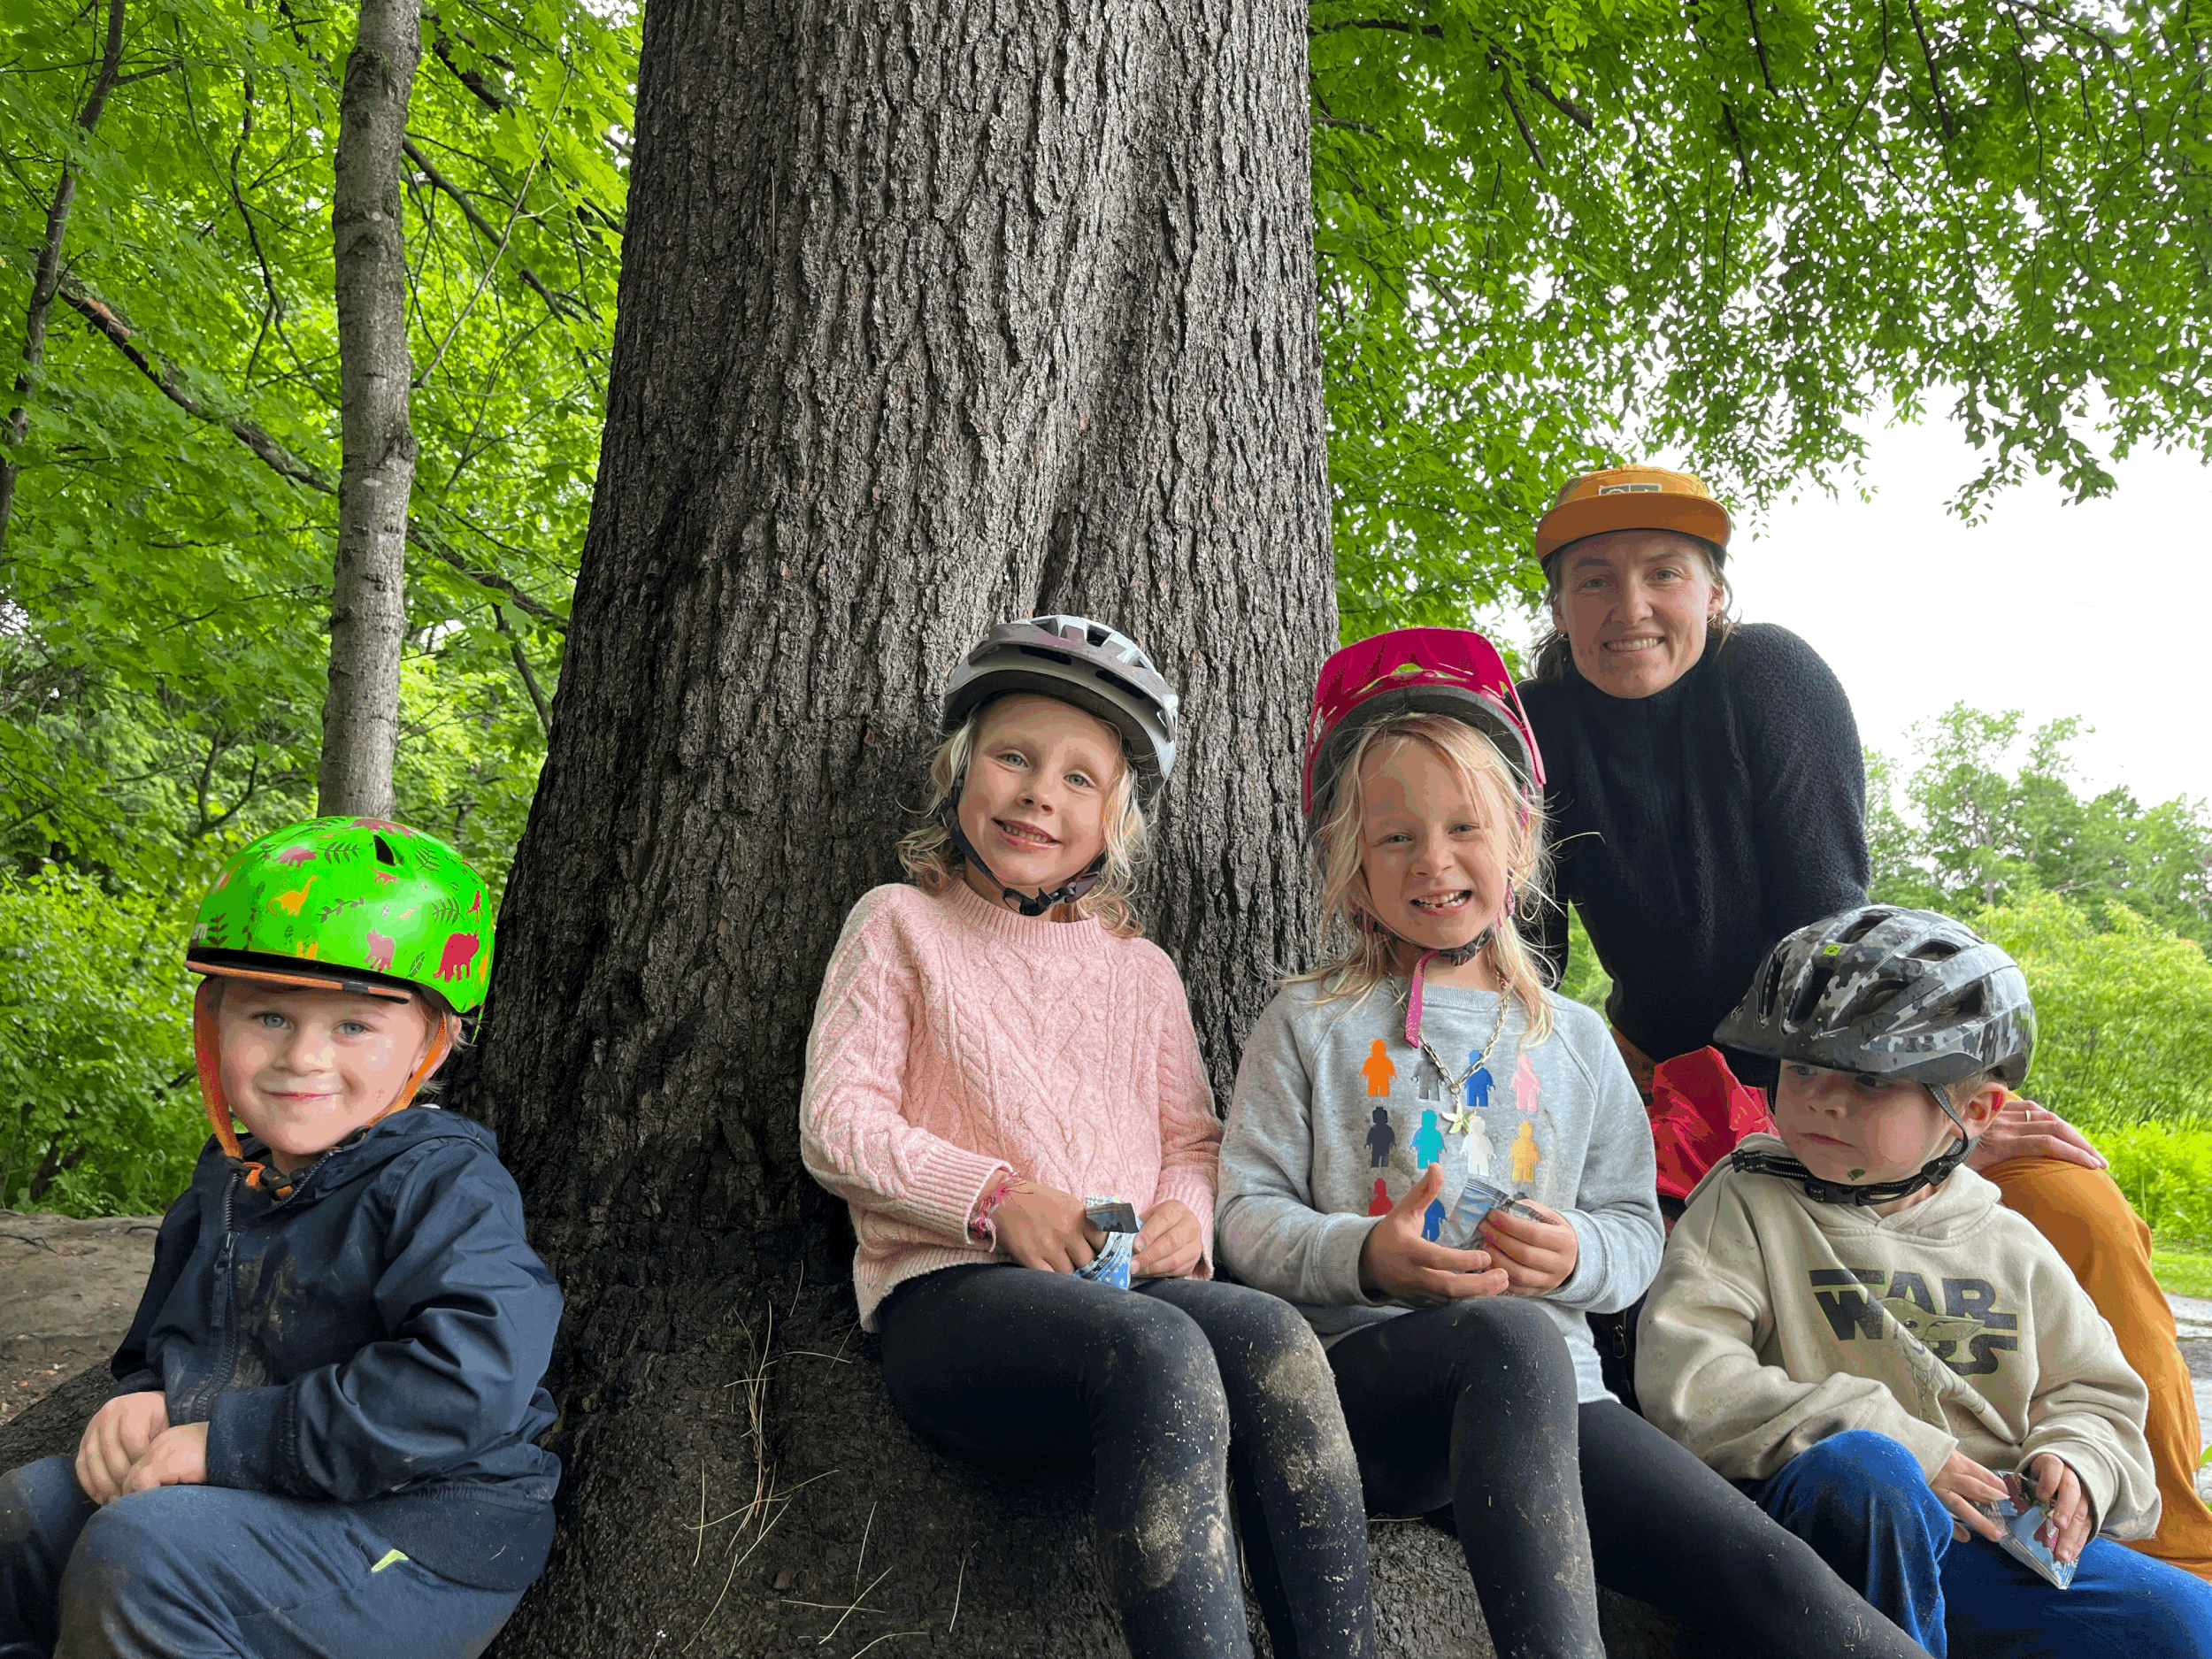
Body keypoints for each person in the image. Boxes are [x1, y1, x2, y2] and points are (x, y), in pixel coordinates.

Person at [1516, 462, 2212, 1579]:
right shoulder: (1537, 724)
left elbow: (1834, 920)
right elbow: (1528, 954)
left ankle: (2175, 1551)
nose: (1627, 608)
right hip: (1666, 1071)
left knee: (2072, 1208)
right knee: (1650, 1258)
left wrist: (1922, 1112)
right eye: (1592, 581)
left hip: (1852, 1051)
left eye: (1663, 575)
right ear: (1556, 604)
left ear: (1713, 592)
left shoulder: (1770, 677)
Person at [1215, 627, 1924, 1658]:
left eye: (1465, 826)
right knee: (1508, 1336)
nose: (1434, 860)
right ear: (1347, 857)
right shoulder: (1307, 1024)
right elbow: (1243, 1214)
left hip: (1563, 1411)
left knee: (1776, 1582)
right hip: (1364, 1393)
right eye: (1394, 836)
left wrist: (1577, 1255)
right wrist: (1362, 1256)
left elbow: (1634, 1229)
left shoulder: (1578, 1040)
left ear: (1520, 840)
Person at [799, 615, 1375, 1659]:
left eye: (1077, 779)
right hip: (951, 1298)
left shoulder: (1139, 971)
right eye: (1013, 758)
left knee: (1274, 1340)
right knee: (1156, 1350)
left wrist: (1180, 1221)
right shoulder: (897, 924)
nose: (1037, 793)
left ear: (1114, 821)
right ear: (959, 771)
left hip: (1127, 1288)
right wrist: (994, 1198)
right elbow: (839, 1123)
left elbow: (1191, 1139)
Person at [0, 818, 562, 1658]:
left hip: (422, 1534)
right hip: (262, 1496)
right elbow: (169, 1338)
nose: (303, 1056)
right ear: (214, 1021)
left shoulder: (441, 1183)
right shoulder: (228, 1178)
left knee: (145, 1553)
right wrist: (148, 1397)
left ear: (434, 1044)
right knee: (28, 1512)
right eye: (269, 1015)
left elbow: (467, 1376)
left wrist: (225, 1443)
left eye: (353, 1027)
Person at [1637, 907, 2212, 1658]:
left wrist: (2078, 1460)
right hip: (1810, 1533)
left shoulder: (2010, 1243)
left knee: (2183, 1622)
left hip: (1983, 1538)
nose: (1823, 1098)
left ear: (1971, 1113)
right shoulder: (1746, 1201)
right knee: (1867, 1471)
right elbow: (1691, 1383)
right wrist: (1906, 1444)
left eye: (1870, 1080)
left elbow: (2095, 1393)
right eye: (1803, 1067)